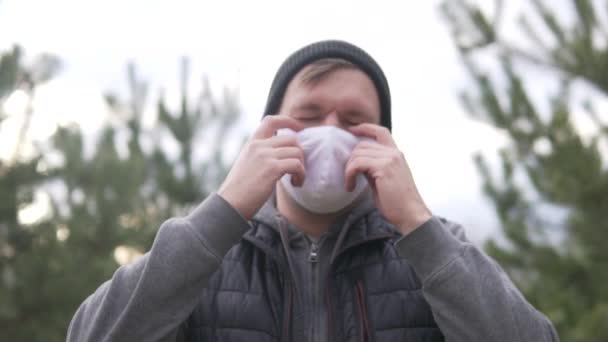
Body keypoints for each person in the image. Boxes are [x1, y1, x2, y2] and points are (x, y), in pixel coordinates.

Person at [67, 40, 559, 342]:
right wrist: (223, 211)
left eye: (353, 121)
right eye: (307, 116)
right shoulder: (206, 258)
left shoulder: (434, 252)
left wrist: (418, 225)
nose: (328, 133)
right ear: (269, 132)